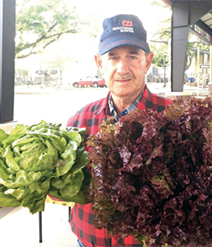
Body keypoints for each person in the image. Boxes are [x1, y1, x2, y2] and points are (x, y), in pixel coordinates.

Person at [67, 14, 172, 247]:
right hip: (89, 241)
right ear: (99, 63)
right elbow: (64, 189)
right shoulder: (79, 121)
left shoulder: (176, 118)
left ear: (148, 61)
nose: (122, 69)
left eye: (132, 56)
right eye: (113, 58)